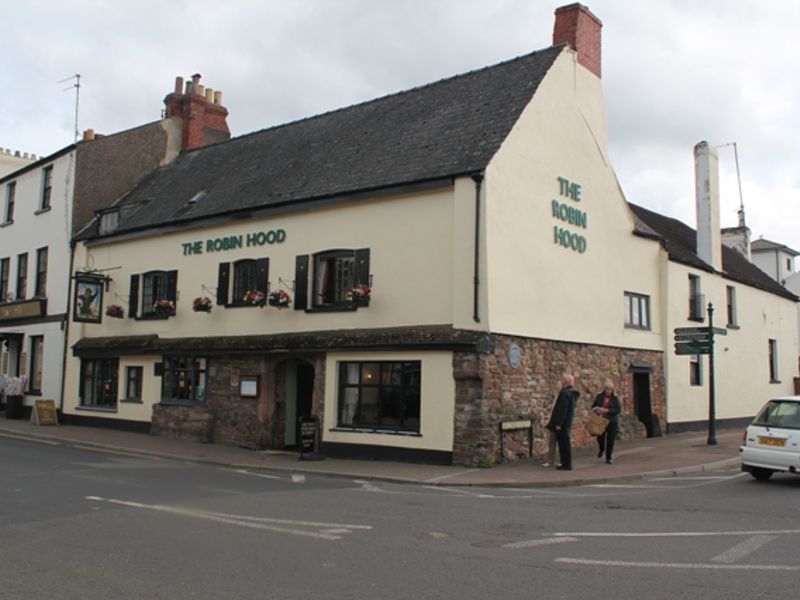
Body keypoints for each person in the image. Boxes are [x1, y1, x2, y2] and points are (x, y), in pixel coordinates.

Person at [545, 373, 579, 471]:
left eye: (563, 379)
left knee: (564, 444)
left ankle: (566, 464)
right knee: (564, 444)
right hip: (566, 423)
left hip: (562, 424)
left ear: (567, 382)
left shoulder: (565, 393)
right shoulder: (570, 392)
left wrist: (559, 423)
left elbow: (562, 410)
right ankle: (565, 463)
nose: (561, 381)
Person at [592, 380, 622, 464]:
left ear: (613, 390)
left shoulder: (615, 398)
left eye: (610, 390)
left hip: (611, 421)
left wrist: (607, 410)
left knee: (610, 439)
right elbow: (593, 406)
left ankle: (609, 457)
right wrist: (598, 410)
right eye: (607, 389)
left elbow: (617, 410)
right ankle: (602, 448)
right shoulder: (599, 396)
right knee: (600, 437)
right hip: (601, 420)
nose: (608, 391)